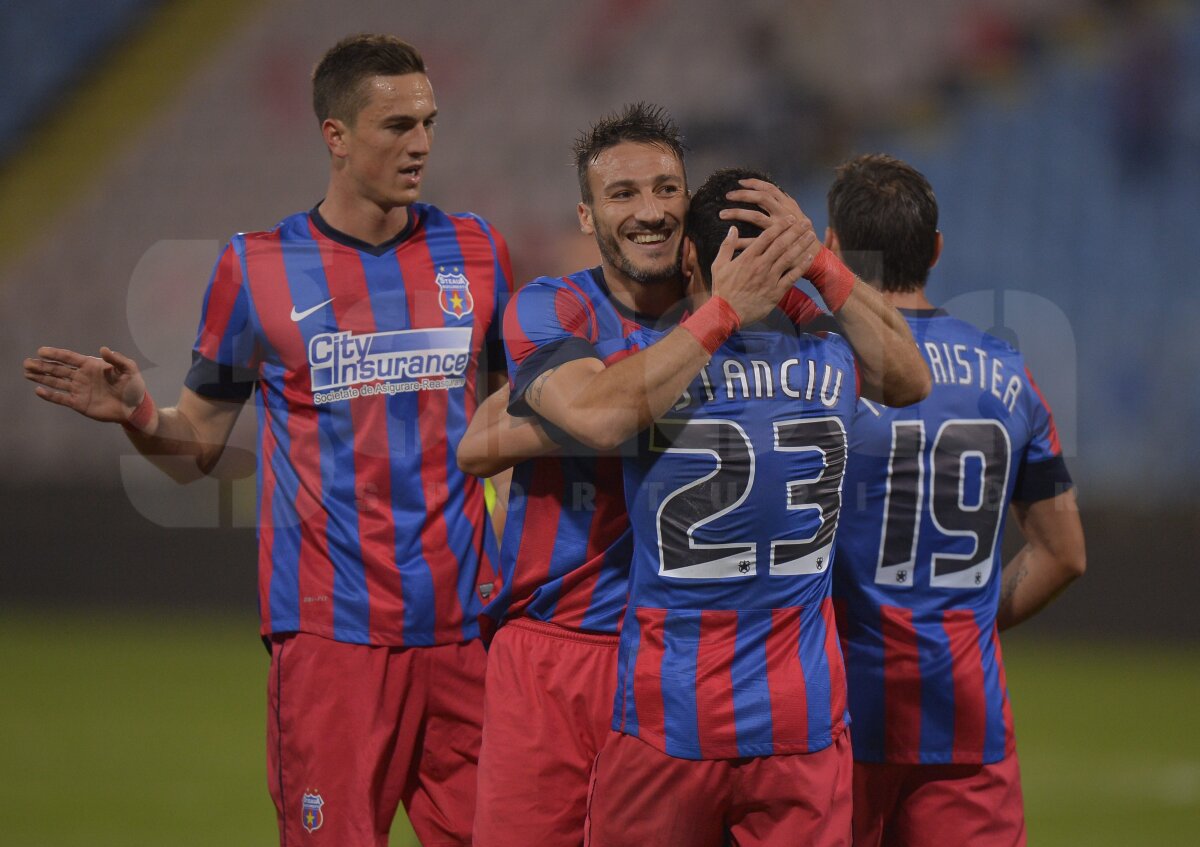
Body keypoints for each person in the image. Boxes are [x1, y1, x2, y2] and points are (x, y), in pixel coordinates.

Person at [24, 34, 512, 847]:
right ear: (336, 135)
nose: (421, 142)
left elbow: (505, 418)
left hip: (470, 632)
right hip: (332, 640)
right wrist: (141, 414)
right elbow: (199, 443)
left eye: (429, 121)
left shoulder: (475, 250)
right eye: (396, 125)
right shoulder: (256, 269)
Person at [460, 105, 928, 844]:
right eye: (623, 195)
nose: (648, 211)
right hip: (565, 642)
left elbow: (906, 376)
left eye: (664, 190)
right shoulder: (559, 307)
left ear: (687, 202)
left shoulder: (765, 311)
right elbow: (478, 443)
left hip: (699, 662)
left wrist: (813, 259)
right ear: (588, 214)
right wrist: (642, 400)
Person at [583, 166, 928, 847]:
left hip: (668, 715)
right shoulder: (832, 366)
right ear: (788, 259)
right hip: (798, 722)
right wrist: (822, 266)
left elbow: (597, 417)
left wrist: (717, 310)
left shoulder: (646, 364)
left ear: (689, 256)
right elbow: (911, 377)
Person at [827, 154, 1086, 847]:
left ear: (831, 250)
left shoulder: (818, 374)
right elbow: (1065, 554)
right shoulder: (1008, 373)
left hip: (835, 719)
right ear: (936, 250)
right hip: (965, 718)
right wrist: (965, 622)